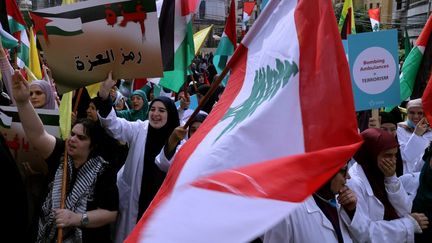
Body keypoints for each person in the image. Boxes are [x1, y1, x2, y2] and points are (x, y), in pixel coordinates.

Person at [11, 70, 119, 243]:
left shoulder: (103, 169)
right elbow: (37, 134)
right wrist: (23, 102)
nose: (72, 139)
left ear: (93, 145)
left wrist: (76, 218)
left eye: (81, 137)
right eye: (72, 134)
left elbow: (111, 213)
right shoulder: (61, 153)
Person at [96, 72, 180, 243]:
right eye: (153, 109)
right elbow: (114, 125)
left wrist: (172, 143)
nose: (155, 114)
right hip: (134, 198)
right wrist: (104, 96)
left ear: (170, 115)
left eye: (162, 111)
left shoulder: (179, 140)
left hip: (160, 203)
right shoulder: (139, 129)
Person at [343, 128, 428, 243]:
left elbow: (405, 209)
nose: (393, 161)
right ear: (371, 155)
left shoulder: (383, 174)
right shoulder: (353, 183)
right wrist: (408, 225)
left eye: (395, 155)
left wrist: (391, 179)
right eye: (387, 155)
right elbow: (364, 233)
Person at [264, 163, 357, 243]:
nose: (348, 176)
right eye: (344, 170)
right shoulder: (286, 212)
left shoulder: (343, 201)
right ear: (328, 171)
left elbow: (367, 238)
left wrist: (352, 211)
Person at [397, 98, 432, 173]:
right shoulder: (400, 128)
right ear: (407, 113)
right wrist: (416, 135)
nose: (416, 116)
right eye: (412, 113)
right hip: (408, 175)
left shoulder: (430, 131)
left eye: (420, 113)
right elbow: (405, 156)